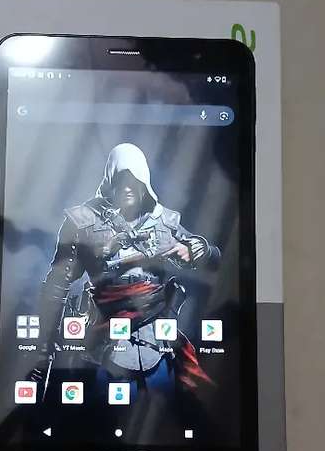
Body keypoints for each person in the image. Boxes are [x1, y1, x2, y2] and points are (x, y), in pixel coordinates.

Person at [32, 143, 220, 401]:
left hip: (159, 348)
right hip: (103, 349)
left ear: (144, 183)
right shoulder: (83, 222)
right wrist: (44, 353)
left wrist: (197, 249)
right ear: (111, 181)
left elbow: (213, 259)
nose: (128, 187)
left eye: (135, 180)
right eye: (122, 179)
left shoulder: (164, 222)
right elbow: (56, 287)